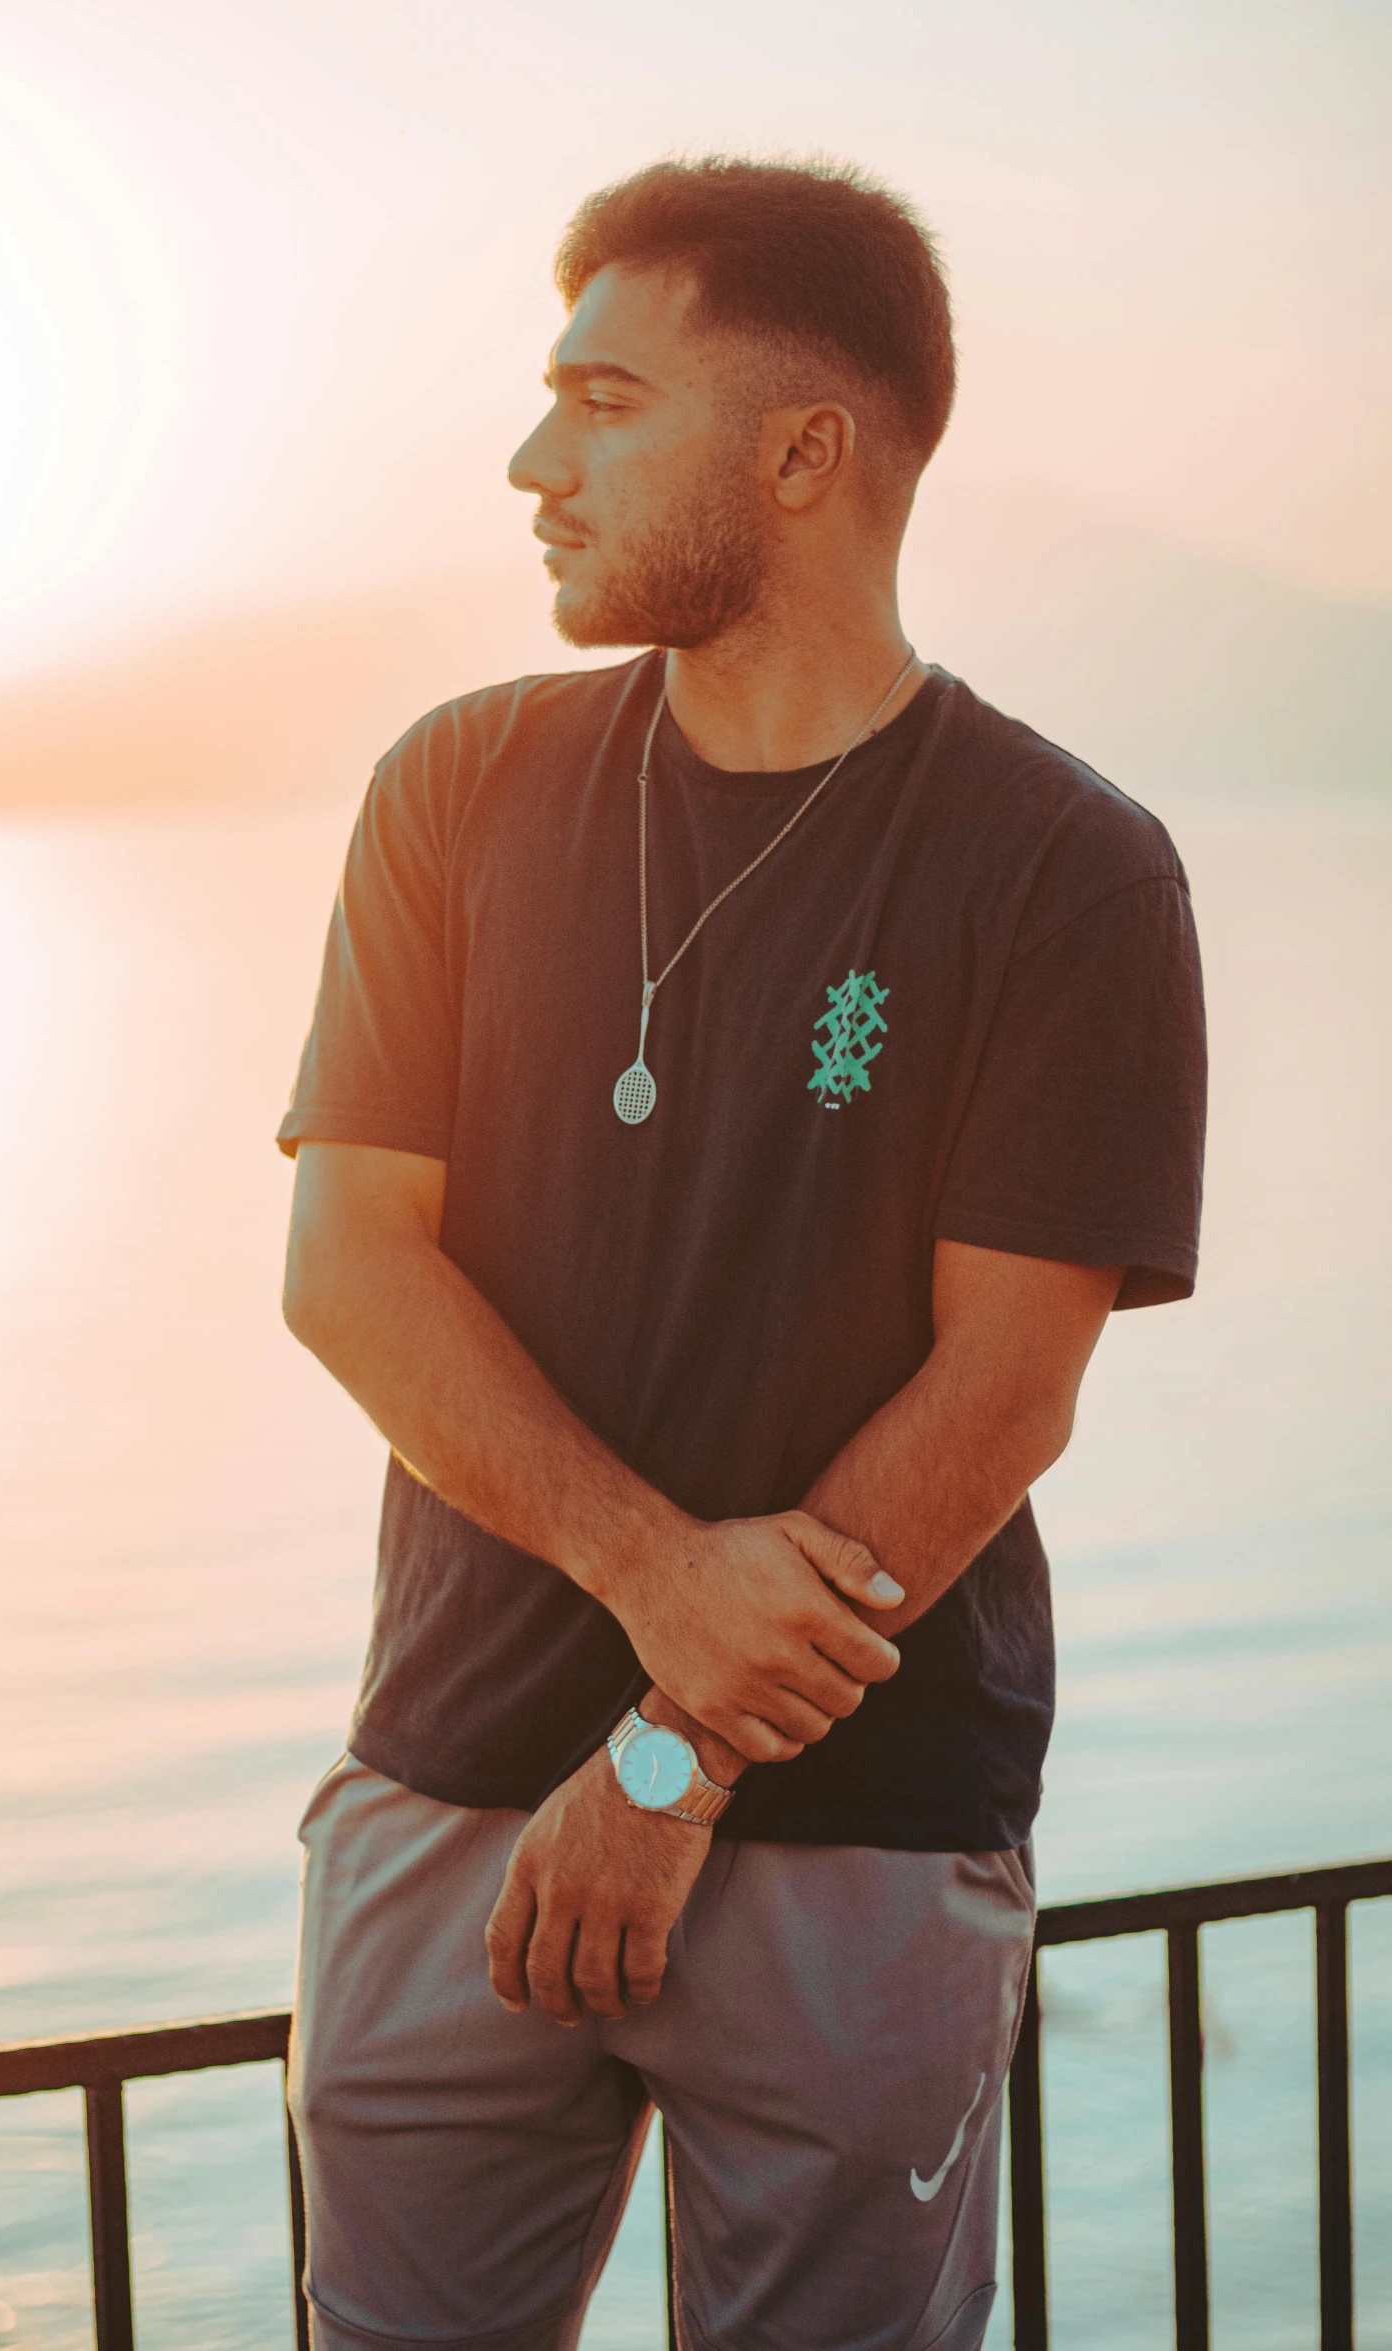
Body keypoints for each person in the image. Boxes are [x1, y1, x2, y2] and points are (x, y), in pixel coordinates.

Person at [277, 156, 1206, 2351]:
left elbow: (1005, 1386)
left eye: (603, 398)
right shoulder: (457, 789)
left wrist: (674, 1753)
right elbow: (349, 1269)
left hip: (861, 1846)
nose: (533, 460)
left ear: (805, 455)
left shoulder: (1066, 867)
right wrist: (660, 1581)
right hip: (453, 1806)